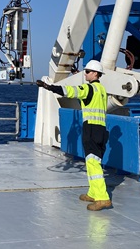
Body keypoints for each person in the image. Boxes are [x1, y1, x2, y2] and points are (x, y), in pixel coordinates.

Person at [37, 59, 112, 211]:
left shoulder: (89, 89)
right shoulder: (101, 89)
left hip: (91, 128)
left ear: (96, 74)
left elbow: (70, 91)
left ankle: (103, 198)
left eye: (88, 72)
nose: (86, 74)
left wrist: (49, 87)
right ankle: (93, 192)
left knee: (93, 163)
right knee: (92, 161)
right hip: (100, 129)